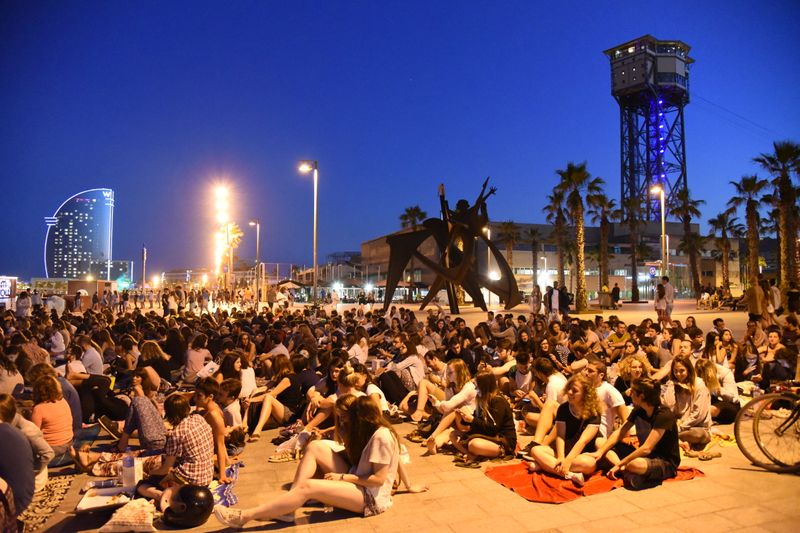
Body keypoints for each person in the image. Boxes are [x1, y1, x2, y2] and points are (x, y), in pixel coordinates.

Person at [213, 395, 401, 526]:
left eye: (348, 418)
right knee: (316, 447)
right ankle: (288, 507)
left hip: (371, 499)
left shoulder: (381, 437)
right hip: (360, 484)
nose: (345, 422)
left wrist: (343, 478)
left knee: (309, 486)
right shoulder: (374, 433)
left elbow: (378, 479)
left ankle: (245, 516)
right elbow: (361, 461)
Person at [591, 377, 680, 490]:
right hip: (644, 455)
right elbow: (620, 431)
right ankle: (626, 472)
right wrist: (601, 451)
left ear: (641, 396)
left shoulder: (663, 415)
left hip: (664, 461)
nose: (630, 394)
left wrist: (619, 464)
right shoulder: (639, 410)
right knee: (601, 443)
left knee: (635, 464)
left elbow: (647, 448)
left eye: (633, 392)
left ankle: (625, 470)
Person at [529, 374, 602, 486]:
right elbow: (560, 436)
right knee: (535, 450)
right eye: (569, 389)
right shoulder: (563, 408)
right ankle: (570, 475)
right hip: (563, 450)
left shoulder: (594, 413)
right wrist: (561, 457)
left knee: (589, 464)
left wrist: (568, 460)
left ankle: (545, 465)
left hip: (580, 454)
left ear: (585, 394)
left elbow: (583, 441)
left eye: (575, 391)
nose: (570, 393)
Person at [661, 356, 711, 451]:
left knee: (698, 435)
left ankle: (673, 438)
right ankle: (682, 441)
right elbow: (669, 406)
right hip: (678, 423)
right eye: (675, 371)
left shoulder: (699, 385)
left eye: (682, 371)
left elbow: (698, 414)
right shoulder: (673, 384)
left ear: (688, 370)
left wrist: (681, 427)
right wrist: (671, 386)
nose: (678, 374)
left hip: (696, 426)